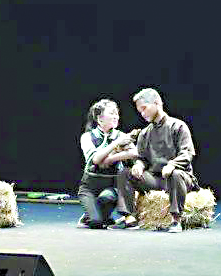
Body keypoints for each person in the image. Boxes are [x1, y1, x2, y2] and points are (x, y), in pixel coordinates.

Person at [109, 88, 198, 233]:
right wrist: (139, 165)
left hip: (179, 178)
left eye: (144, 108)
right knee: (125, 173)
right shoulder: (145, 133)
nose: (142, 114)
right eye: (140, 111)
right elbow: (142, 158)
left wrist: (172, 165)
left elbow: (187, 153)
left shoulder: (178, 126)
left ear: (157, 103)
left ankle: (176, 220)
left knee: (175, 174)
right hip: (156, 179)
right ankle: (129, 218)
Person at [77, 99, 138, 229]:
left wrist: (110, 159)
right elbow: (96, 159)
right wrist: (117, 143)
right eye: (112, 113)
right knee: (96, 223)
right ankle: (91, 215)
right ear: (100, 119)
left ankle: (99, 214)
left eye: (117, 113)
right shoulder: (87, 137)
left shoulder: (120, 135)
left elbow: (134, 152)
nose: (116, 117)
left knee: (108, 197)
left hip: (111, 185)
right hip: (90, 186)